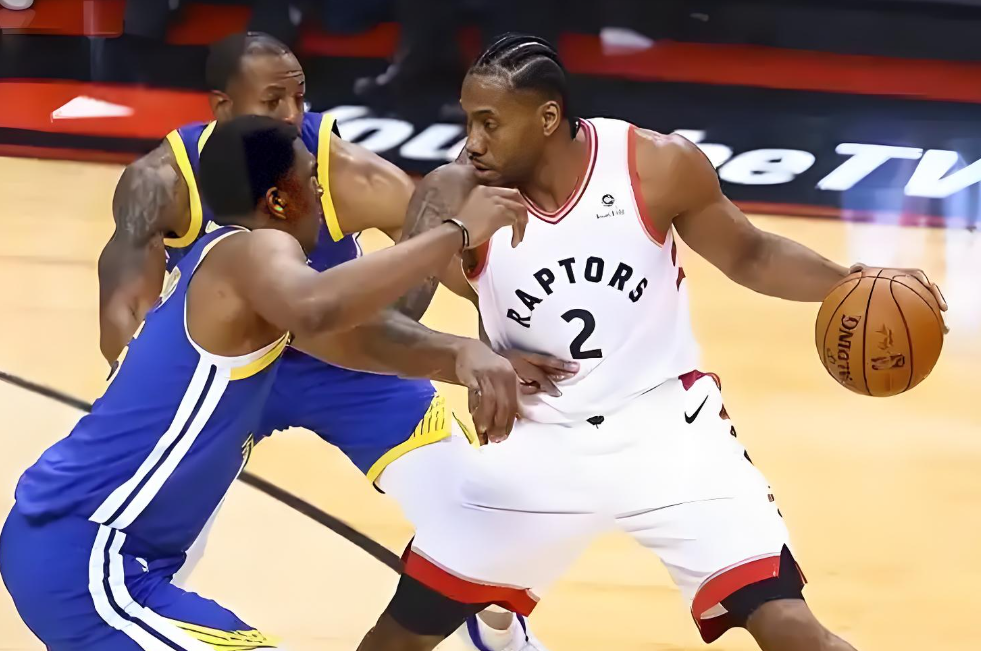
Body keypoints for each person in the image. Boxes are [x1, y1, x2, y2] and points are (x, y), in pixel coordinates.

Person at [357, 33, 949, 651]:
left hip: (668, 432)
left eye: (489, 123)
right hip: (538, 441)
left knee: (791, 628)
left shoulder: (653, 165)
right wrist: (472, 355)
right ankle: (496, 614)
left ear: (548, 117)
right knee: (392, 641)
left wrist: (848, 281)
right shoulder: (452, 196)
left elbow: (750, 254)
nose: (472, 142)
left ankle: (497, 615)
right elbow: (386, 327)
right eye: (468, 121)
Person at [97, 32, 563, 650]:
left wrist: (498, 347)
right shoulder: (162, 180)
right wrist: (135, 372)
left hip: (350, 362)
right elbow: (124, 306)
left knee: (481, 517)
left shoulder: (345, 173)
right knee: (150, 544)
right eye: (272, 101)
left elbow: (471, 275)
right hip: (230, 372)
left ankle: (495, 627)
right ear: (222, 106)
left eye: (300, 97)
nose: (293, 115)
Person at [0, 116, 526, 651]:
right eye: (311, 179)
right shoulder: (251, 253)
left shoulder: (235, 274)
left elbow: (355, 340)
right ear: (277, 200)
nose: (322, 191)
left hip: (100, 557)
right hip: (89, 561)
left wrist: (465, 356)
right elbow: (319, 307)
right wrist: (454, 232)